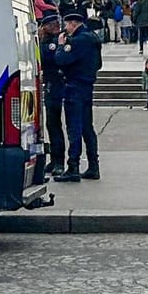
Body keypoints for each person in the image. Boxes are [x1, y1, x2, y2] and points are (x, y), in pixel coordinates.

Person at [52, 11, 101, 182]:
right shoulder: (93, 38)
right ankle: (94, 165)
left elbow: (61, 59)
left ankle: (73, 166)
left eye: (67, 25)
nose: (65, 28)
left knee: (74, 127)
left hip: (74, 86)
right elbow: (98, 64)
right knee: (87, 127)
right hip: (87, 85)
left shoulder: (77, 41)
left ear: (73, 23)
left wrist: (60, 46)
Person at [38, 14, 67, 174]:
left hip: (55, 85)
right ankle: (55, 160)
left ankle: (59, 162)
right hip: (51, 84)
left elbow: (47, 59)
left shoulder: (54, 43)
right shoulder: (49, 41)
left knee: (54, 124)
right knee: (51, 124)